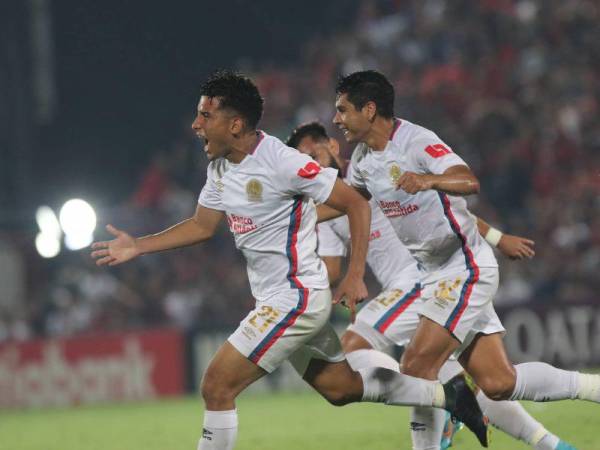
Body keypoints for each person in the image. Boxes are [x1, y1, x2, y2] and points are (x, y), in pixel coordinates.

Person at [90, 70, 489, 450]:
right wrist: (138, 246)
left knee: (216, 386)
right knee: (341, 388)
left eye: (205, 115)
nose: (196, 125)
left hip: (294, 298)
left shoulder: (282, 162)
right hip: (279, 299)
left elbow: (355, 203)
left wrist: (353, 276)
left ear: (234, 125)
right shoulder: (220, 168)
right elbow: (200, 225)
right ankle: (447, 393)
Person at [323, 70, 600, 450]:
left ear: (369, 110)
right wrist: (292, 215)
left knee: (417, 368)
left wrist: (428, 181)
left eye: (342, 110)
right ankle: (592, 388)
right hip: (434, 275)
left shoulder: (416, 141)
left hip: (463, 268)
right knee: (500, 383)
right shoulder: (363, 158)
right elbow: (348, 203)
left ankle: (445, 426)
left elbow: (468, 180)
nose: (336, 119)